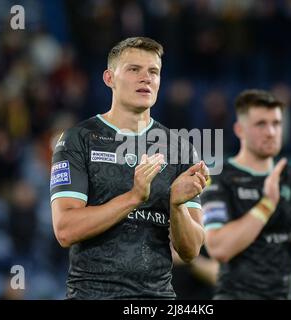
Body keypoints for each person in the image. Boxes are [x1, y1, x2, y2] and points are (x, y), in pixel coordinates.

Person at [49, 37, 208, 299]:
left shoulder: (180, 148)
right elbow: (65, 230)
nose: (145, 78)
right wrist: (133, 198)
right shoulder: (78, 139)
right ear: (109, 78)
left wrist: (177, 206)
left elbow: (190, 251)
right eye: (134, 69)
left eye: (153, 72)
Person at [201, 89, 291, 299]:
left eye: (276, 123)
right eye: (261, 124)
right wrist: (267, 205)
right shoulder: (222, 178)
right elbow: (219, 248)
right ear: (239, 130)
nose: (271, 132)